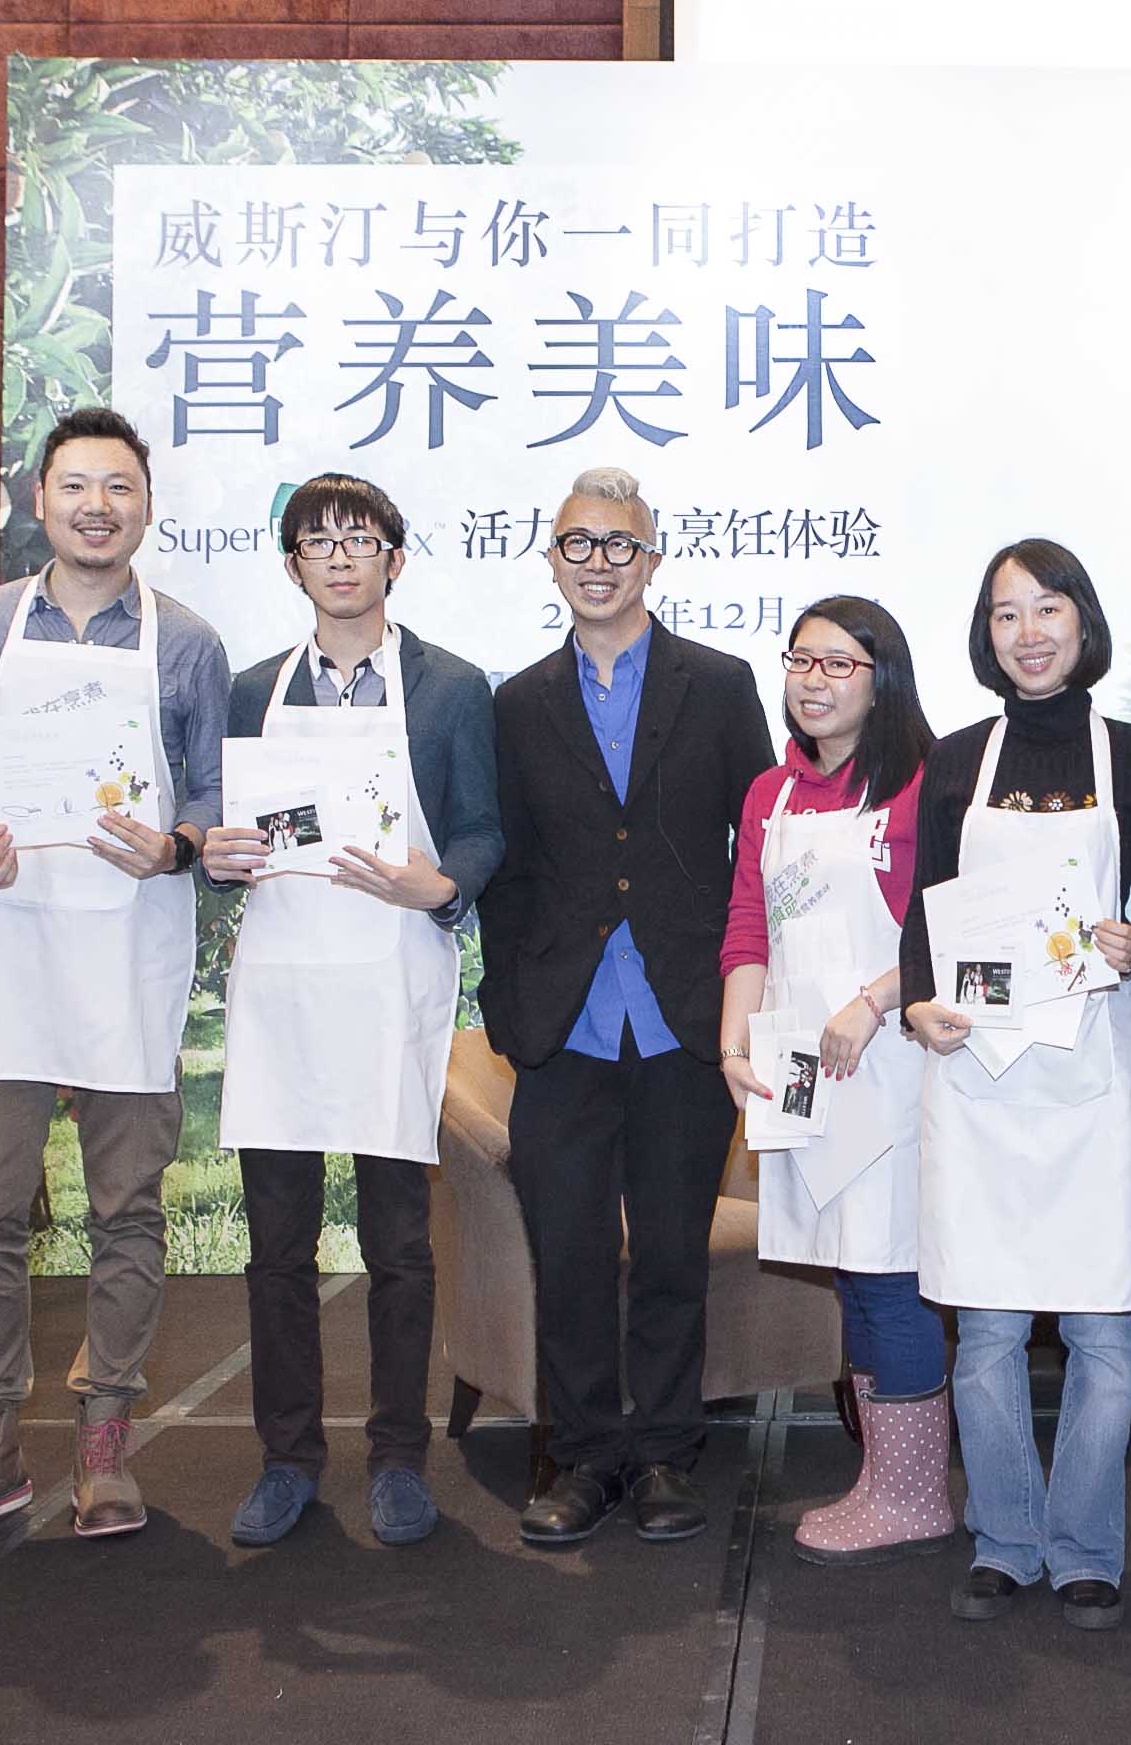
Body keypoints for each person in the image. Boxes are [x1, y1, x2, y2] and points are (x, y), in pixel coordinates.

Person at [0, 407, 231, 1545]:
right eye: (77, 485)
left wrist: (175, 844)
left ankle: (104, 1436)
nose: (98, 506)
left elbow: (211, 794)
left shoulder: (187, 642)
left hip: (130, 940)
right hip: (6, 936)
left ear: (147, 507)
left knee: (127, 1208)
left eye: (120, 487)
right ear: (38, 499)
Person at [198, 474, 503, 1549]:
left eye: (360, 539)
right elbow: (226, 832)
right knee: (277, 1247)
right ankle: (287, 1458)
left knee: (400, 1244)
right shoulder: (251, 690)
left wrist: (444, 883)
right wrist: (218, 853)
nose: (340, 557)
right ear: (292, 566)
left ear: (395, 559)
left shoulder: (452, 686)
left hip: (389, 978)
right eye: (317, 541)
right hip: (283, 985)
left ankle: (399, 1460)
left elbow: (482, 829)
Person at [900, 538, 1131, 1630]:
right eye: (1005, 613)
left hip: (1094, 1073)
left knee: (1100, 1335)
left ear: (1083, 620)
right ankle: (1006, 1539)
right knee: (985, 1334)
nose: (1027, 632)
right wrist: (916, 1002)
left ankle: (1083, 1548)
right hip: (977, 1071)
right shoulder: (953, 761)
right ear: (987, 635)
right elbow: (923, 907)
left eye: (1047, 608)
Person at [478, 466, 775, 1545]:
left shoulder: (721, 684)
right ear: (551, 559)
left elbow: (762, 848)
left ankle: (664, 1455)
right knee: (566, 1253)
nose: (598, 562)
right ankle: (585, 1456)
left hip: (684, 1017)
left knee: (669, 1254)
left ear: (652, 559)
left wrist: (748, 994)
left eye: (619, 544)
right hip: (563, 1025)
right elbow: (506, 868)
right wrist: (511, 1005)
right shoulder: (517, 703)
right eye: (578, 543)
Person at [715, 596, 950, 1565]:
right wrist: (733, 1042)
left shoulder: (924, 784)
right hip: (800, 1067)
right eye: (801, 660)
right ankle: (884, 1482)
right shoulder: (769, 793)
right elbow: (748, 925)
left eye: (840, 663)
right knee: (852, 1275)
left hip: (892, 1061)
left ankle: (915, 1494)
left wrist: (873, 1002)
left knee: (890, 1277)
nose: (814, 680)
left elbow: (948, 924)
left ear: (882, 679)